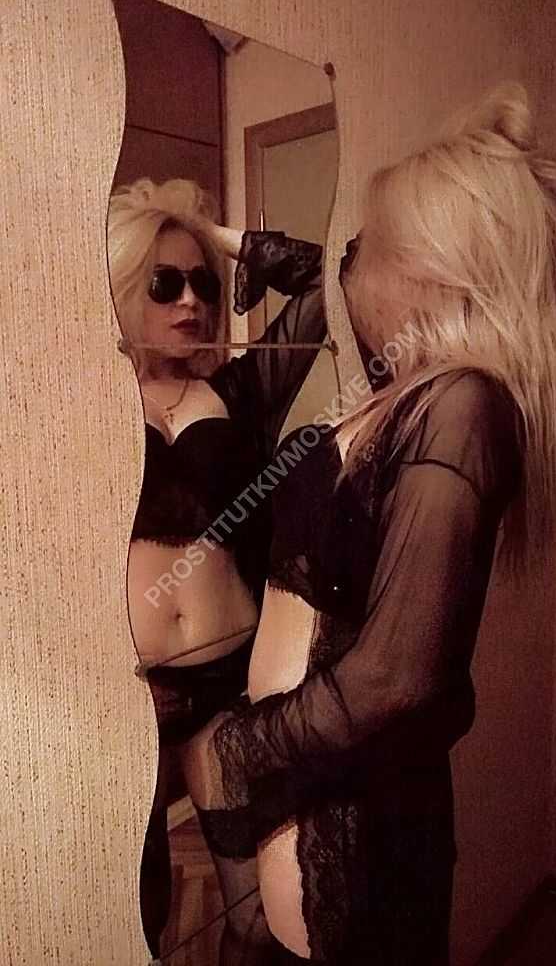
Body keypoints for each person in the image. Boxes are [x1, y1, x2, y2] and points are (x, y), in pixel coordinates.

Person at [181, 82, 556, 965]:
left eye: (367, 250)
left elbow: (398, 676)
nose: (348, 272)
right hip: (313, 799)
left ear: (426, 269)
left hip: (359, 823)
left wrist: (234, 752)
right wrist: (221, 240)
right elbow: (323, 275)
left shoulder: (460, 403)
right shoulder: (404, 395)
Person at [107, 177, 331, 960]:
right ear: (122, 290)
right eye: (164, 283)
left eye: (204, 284)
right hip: (127, 690)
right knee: (135, 913)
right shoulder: (81, 400)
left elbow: (329, 277)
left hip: (228, 683)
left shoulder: (241, 390)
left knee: (255, 910)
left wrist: (216, 237)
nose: (191, 302)